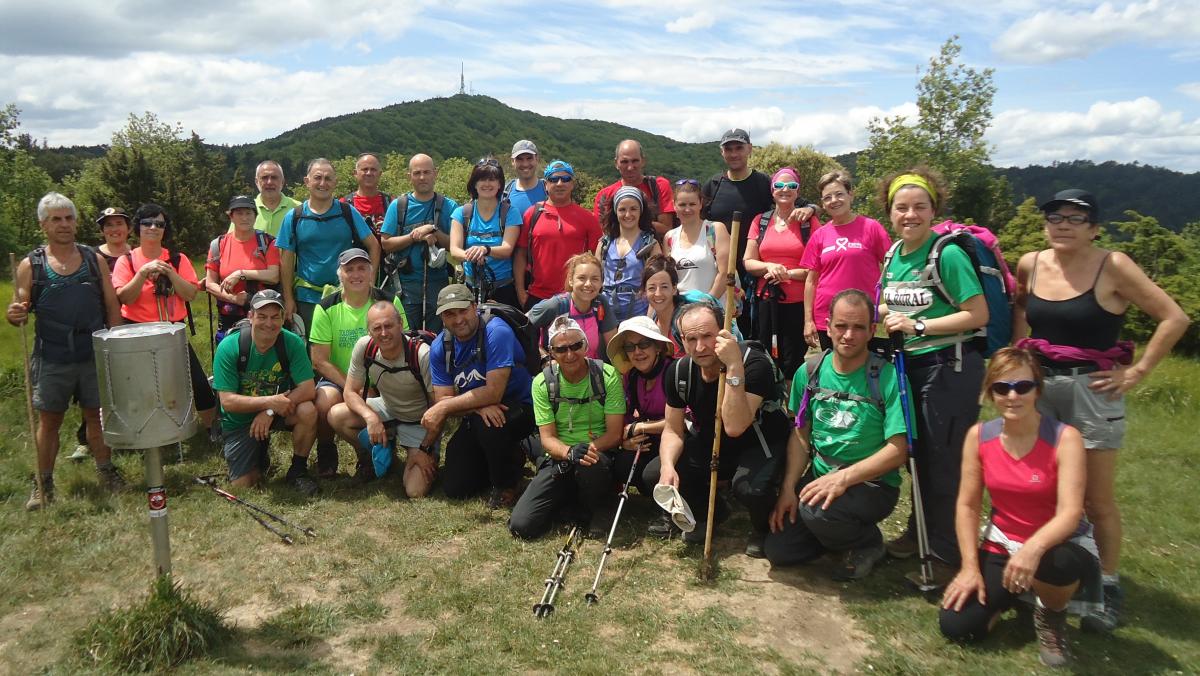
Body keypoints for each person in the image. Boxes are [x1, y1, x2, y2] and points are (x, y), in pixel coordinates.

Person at [1012, 188, 1188, 631]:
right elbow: (1020, 309)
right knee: (1043, 486)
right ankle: (1053, 571)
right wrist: (1016, 356)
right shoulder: (1032, 264)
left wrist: (1138, 371)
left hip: (1092, 390)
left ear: (1094, 228)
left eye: (1076, 218)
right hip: (1040, 387)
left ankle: (1106, 584)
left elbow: (1174, 317)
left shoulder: (1114, 266)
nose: (1064, 225)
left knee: (1096, 497)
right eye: (1055, 217)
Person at [938, 348, 1090, 668]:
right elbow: (967, 505)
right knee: (956, 626)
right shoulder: (978, 437)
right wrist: (969, 568)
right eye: (1001, 387)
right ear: (990, 391)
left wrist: (1032, 548)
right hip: (1002, 543)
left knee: (1059, 563)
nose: (1012, 395)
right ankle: (1016, 595)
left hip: (1052, 544)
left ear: (1038, 388)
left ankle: (1051, 614)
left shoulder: (1066, 439)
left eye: (1023, 386)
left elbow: (1071, 513)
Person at [877, 167, 988, 585]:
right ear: (890, 212)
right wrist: (890, 315)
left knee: (946, 462)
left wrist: (919, 327)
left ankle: (948, 552)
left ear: (933, 210)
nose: (910, 215)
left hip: (949, 367)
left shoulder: (948, 253)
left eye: (918, 207)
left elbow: (978, 314)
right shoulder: (894, 255)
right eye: (901, 207)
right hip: (911, 367)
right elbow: (889, 305)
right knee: (917, 456)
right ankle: (917, 532)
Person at [765, 290, 907, 580]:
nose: (848, 335)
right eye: (841, 326)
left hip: (871, 484)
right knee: (780, 551)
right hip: (819, 475)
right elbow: (801, 434)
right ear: (827, 326)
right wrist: (789, 488)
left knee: (816, 512)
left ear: (872, 331)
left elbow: (899, 449)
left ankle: (867, 543)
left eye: (858, 327)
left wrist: (842, 479)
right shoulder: (810, 372)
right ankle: (834, 535)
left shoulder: (888, 377)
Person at [7, 192, 127, 510]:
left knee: (96, 416)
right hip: (52, 355)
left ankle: (107, 471)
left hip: (93, 350)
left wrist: (113, 344)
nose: (64, 224)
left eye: (69, 218)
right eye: (56, 219)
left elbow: (111, 303)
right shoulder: (30, 264)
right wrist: (14, 314)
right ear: (43, 224)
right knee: (49, 420)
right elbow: (19, 306)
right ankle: (42, 484)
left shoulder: (92, 259)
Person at [645, 303, 788, 557]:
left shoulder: (753, 364)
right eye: (691, 339)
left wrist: (733, 368)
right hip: (713, 442)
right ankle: (711, 512)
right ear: (681, 341)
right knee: (655, 473)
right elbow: (673, 430)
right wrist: (668, 465)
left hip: (759, 441)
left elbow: (734, 426)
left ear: (724, 333)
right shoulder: (679, 371)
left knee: (750, 488)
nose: (700, 347)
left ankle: (761, 526)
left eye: (707, 336)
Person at [510, 317, 625, 539]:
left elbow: (613, 435)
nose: (570, 354)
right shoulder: (542, 383)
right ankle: (570, 500)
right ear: (551, 352)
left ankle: (596, 506)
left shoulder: (607, 375)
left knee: (590, 464)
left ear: (586, 345)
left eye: (575, 346)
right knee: (522, 526)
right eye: (561, 349)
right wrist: (570, 452)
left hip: (597, 455)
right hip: (560, 457)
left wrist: (586, 449)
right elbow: (547, 439)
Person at [111, 203, 219, 437]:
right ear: (137, 228)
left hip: (172, 330)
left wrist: (170, 273)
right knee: (141, 386)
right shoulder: (126, 261)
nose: (153, 228)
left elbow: (190, 294)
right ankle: (144, 432)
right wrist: (142, 274)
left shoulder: (178, 260)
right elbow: (125, 298)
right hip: (137, 331)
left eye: (159, 224)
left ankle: (212, 428)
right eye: (147, 223)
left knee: (198, 382)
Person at [423, 284, 536, 508]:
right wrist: (476, 406)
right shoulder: (440, 347)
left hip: (519, 407)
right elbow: (443, 399)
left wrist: (446, 408)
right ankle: (509, 458)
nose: (458, 320)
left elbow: (494, 392)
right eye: (449, 314)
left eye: (463, 311)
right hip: (477, 413)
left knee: (490, 423)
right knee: (456, 488)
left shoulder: (497, 331)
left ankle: (507, 483)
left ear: (474, 307)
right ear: (442, 318)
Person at [701, 129, 813, 335]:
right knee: (719, 330)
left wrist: (811, 209)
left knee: (752, 333)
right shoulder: (714, 185)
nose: (734, 153)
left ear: (749, 149)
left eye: (739, 148)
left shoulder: (763, 183)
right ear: (721, 152)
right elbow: (697, 219)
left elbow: (801, 203)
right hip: (719, 273)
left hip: (754, 275)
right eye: (728, 149)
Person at [308, 248, 408, 478]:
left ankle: (387, 443)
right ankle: (336, 453)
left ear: (371, 272)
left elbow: (405, 346)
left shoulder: (389, 301)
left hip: (386, 378)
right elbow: (319, 361)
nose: (356, 274)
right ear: (339, 275)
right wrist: (354, 387)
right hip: (341, 380)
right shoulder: (325, 307)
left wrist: (380, 384)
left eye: (362, 268)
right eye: (349, 269)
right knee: (324, 402)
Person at [211, 290, 319, 495]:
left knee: (307, 410)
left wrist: (269, 412)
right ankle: (259, 451)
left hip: (277, 411)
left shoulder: (292, 342)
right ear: (250, 317)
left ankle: (298, 471)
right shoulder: (229, 347)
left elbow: (307, 388)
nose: (269, 323)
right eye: (262, 316)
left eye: (275, 317)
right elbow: (228, 402)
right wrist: (270, 402)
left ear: (282, 317)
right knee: (245, 484)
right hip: (239, 419)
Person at [328, 301, 439, 498]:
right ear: (369, 331)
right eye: (377, 328)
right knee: (337, 415)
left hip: (419, 422)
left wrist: (424, 448)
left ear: (400, 324)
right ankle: (378, 454)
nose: (384, 333)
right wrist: (371, 418)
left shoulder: (422, 354)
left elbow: (439, 408)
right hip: (387, 409)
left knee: (415, 491)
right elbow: (350, 392)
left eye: (388, 326)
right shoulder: (365, 347)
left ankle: (414, 453)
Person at [276, 158, 382, 334]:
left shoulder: (347, 212)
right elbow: (286, 260)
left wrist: (369, 284)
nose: (322, 183)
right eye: (317, 178)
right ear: (307, 181)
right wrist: (288, 299)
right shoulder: (294, 217)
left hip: (345, 295)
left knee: (346, 346)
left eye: (328, 178)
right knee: (312, 351)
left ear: (335, 182)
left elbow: (374, 246)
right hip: (307, 298)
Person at [69, 205, 135, 462]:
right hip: (97, 326)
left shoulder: (136, 256)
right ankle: (87, 438)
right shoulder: (91, 257)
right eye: (108, 225)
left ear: (129, 228)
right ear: (102, 231)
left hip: (131, 324)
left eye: (119, 223)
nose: (114, 229)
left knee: (126, 382)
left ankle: (126, 431)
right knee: (95, 386)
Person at [744, 166, 819, 381]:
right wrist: (769, 267)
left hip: (797, 303)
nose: (784, 189)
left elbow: (818, 267)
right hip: (766, 301)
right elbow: (748, 261)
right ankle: (770, 405)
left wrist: (787, 274)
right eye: (779, 185)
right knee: (765, 355)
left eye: (791, 185)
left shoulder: (809, 222)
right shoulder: (761, 221)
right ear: (772, 189)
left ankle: (792, 410)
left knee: (793, 360)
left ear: (798, 191)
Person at [802, 170, 890, 351]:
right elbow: (811, 281)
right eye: (827, 197)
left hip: (862, 317)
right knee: (832, 372)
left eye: (839, 194)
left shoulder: (871, 228)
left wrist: (891, 305)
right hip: (826, 319)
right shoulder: (819, 235)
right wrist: (808, 320)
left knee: (864, 372)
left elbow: (893, 267)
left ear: (851, 195)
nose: (834, 200)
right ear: (823, 204)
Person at [605, 316, 675, 535]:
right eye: (630, 347)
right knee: (622, 465)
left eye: (644, 344)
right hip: (647, 443)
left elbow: (683, 422)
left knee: (651, 474)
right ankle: (657, 496)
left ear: (658, 347)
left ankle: (669, 513)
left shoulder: (673, 373)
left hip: (676, 440)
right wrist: (626, 439)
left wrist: (641, 428)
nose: (638, 352)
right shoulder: (631, 377)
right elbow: (625, 417)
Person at [379, 153, 457, 331]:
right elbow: (386, 244)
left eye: (427, 172)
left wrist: (433, 231)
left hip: (439, 284)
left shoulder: (449, 206)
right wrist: (414, 237)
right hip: (405, 286)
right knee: (406, 336)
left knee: (438, 338)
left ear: (435, 173)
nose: (422, 177)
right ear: (409, 176)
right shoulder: (398, 206)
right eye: (417, 173)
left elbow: (456, 244)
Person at [513, 160, 602, 311]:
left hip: (575, 297)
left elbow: (598, 258)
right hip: (537, 296)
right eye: (553, 179)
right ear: (546, 185)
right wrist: (520, 291)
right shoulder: (532, 214)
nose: (560, 183)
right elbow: (520, 254)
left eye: (565, 179)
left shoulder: (587, 218)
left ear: (572, 184)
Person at [450, 157, 523, 307]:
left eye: (492, 179)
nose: (487, 184)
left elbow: (507, 249)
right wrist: (473, 255)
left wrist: (485, 250)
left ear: (499, 184)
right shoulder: (462, 213)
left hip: (503, 289)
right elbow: (455, 250)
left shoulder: (509, 213)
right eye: (482, 179)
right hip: (470, 288)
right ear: (474, 184)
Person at [205, 195, 281, 336]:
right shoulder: (218, 245)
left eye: (248, 213)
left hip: (264, 315)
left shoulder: (267, 242)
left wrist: (241, 274)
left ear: (255, 216)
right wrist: (234, 299)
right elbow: (210, 283)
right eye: (239, 213)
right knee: (230, 354)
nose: (244, 218)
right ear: (231, 217)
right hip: (229, 315)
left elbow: (274, 276)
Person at [527, 252, 617, 361]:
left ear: (601, 283)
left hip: (592, 372)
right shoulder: (555, 305)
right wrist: (545, 358)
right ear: (571, 280)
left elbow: (614, 348)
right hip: (557, 374)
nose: (588, 284)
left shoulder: (600, 303)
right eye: (582, 278)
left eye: (595, 279)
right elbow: (519, 327)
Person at [641, 254, 727, 358]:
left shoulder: (684, 321)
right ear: (645, 291)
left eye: (664, 287)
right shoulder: (652, 320)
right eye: (651, 288)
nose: (658, 293)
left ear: (674, 289)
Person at [596, 186, 661, 322]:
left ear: (641, 211)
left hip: (640, 314)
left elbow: (658, 286)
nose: (628, 215)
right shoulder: (604, 244)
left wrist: (649, 320)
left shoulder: (650, 244)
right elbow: (597, 280)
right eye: (622, 209)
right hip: (606, 316)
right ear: (615, 211)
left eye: (633, 209)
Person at [592, 139, 675, 238]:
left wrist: (625, 222)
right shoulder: (604, 196)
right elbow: (601, 234)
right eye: (624, 162)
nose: (630, 167)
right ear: (616, 163)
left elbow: (667, 229)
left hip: (654, 251)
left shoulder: (658, 186)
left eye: (635, 161)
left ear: (643, 161)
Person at [663, 179, 730, 299]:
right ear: (674, 206)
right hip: (681, 310)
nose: (687, 209)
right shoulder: (669, 237)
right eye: (682, 205)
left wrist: (708, 303)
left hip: (712, 310)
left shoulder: (715, 230)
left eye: (692, 204)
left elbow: (725, 273)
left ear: (700, 203)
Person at [341, 153, 391, 235]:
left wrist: (389, 229)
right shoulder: (343, 204)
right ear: (355, 173)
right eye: (365, 169)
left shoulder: (391, 203)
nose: (369, 173)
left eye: (373, 169)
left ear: (380, 174)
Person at [248, 160, 299, 237]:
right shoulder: (245, 209)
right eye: (264, 177)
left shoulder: (299, 209)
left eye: (274, 177)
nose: (269, 182)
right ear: (256, 181)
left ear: (282, 181)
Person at [504, 140, 547, 216]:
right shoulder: (504, 193)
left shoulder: (548, 190)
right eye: (520, 159)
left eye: (529, 158)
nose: (525, 164)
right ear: (512, 161)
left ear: (536, 159)